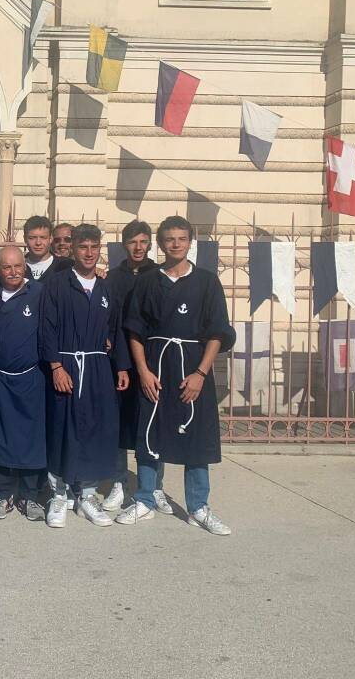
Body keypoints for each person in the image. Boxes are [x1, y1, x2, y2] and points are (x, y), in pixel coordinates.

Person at [118, 216, 235, 535]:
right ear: (160, 243)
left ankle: (198, 506)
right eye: (169, 239)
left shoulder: (207, 282)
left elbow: (217, 333)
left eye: (181, 239)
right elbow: (135, 331)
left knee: (196, 436)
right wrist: (142, 371)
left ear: (190, 241)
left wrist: (200, 373)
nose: (175, 244)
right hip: (156, 368)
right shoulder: (147, 281)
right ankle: (145, 499)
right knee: (149, 434)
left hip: (191, 367)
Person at [39, 224, 129, 529]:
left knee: (93, 429)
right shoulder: (58, 283)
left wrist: (121, 367)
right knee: (62, 430)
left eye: (94, 247)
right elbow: (47, 327)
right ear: (72, 249)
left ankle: (87, 495)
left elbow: (115, 331)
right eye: (82, 247)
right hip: (65, 365)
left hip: (97, 369)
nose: (89, 253)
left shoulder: (106, 288)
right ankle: (59, 494)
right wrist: (55, 366)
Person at [99, 220, 169, 513]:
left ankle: (155, 486)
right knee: (120, 425)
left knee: (152, 424)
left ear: (150, 244)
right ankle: (118, 483)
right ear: (124, 244)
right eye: (132, 242)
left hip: (152, 361)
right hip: (119, 361)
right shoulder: (112, 278)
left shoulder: (160, 275)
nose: (138, 247)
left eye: (143, 242)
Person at [0, 246, 47, 522]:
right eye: (6, 267)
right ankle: (3, 494)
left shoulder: (39, 292)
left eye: (17, 266)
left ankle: (31, 496)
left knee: (32, 439)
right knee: (1, 438)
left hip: (30, 378)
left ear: (25, 266)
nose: (13, 272)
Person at [24, 216, 74, 282]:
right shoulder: (16, 266)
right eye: (32, 238)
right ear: (25, 239)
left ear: (50, 239)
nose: (38, 243)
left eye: (43, 237)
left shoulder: (67, 266)